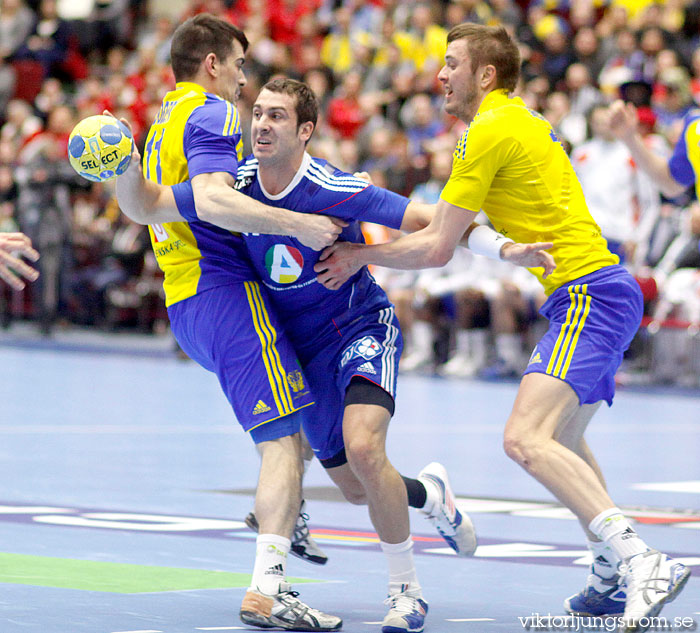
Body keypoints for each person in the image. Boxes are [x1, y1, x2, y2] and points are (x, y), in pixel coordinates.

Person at [117, 76, 553, 633]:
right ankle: (430, 494)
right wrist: (124, 170)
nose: (261, 125)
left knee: (365, 449)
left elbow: (429, 221)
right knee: (355, 486)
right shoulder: (235, 190)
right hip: (301, 352)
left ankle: (406, 592)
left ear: (305, 131)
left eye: (277, 117)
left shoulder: (333, 186)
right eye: (258, 114)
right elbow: (150, 205)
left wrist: (503, 248)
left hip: (356, 329)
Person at [315, 24, 690, 632]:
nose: (439, 75)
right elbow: (467, 231)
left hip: (587, 294)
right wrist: (505, 250)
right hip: (604, 289)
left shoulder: (485, 131)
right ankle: (607, 575)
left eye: (452, 64)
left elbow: (438, 244)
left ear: (485, 76)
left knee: (524, 439)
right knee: (562, 440)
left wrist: (361, 256)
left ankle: (640, 558)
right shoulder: (522, 119)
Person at [119, 14, 344, 631]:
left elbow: (144, 207)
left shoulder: (160, 120)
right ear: (213, 63)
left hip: (185, 302)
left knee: (287, 426)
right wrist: (300, 224)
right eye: (242, 67)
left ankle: (284, 514)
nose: (246, 84)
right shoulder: (211, 112)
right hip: (225, 295)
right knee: (278, 444)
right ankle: (269, 589)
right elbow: (215, 197)